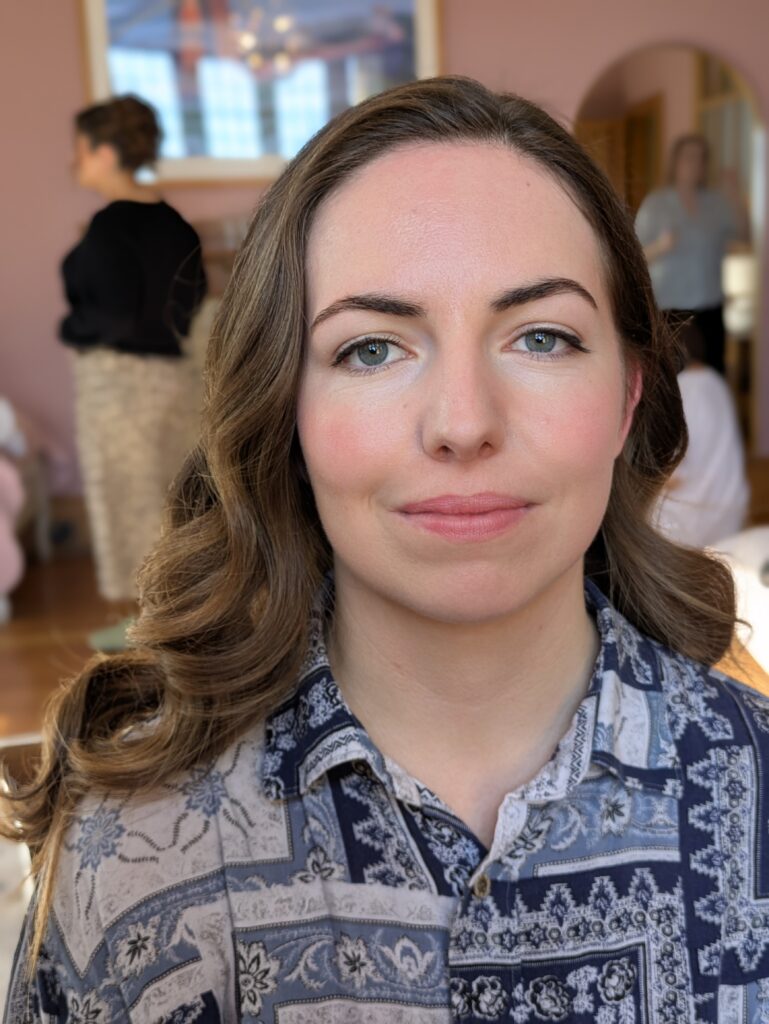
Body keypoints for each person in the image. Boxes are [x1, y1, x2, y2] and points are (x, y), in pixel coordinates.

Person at [3, 77, 767, 1023]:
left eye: (540, 336)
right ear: (287, 411)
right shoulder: (125, 848)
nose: (461, 424)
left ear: (625, 397)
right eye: (371, 348)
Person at [60, 95, 206, 650]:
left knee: (129, 496)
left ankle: (149, 625)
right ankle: (180, 619)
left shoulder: (107, 227)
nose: (74, 164)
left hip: (119, 382)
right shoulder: (175, 224)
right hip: (174, 380)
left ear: (103, 151)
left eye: (80, 151)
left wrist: (73, 330)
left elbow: (111, 316)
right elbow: (190, 304)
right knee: (171, 496)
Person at [635, 133, 748, 376]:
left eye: (700, 159)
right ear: (675, 162)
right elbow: (635, 258)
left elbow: (744, 236)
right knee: (673, 383)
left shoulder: (716, 203)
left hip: (710, 310)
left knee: (711, 379)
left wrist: (736, 195)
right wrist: (661, 247)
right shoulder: (656, 204)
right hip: (671, 313)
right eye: (688, 157)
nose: (695, 164)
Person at [654, 317, 750, 546]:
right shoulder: (716, 382)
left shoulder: (684, 390)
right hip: (733, 506)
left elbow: (675, 475)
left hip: (697, 515)